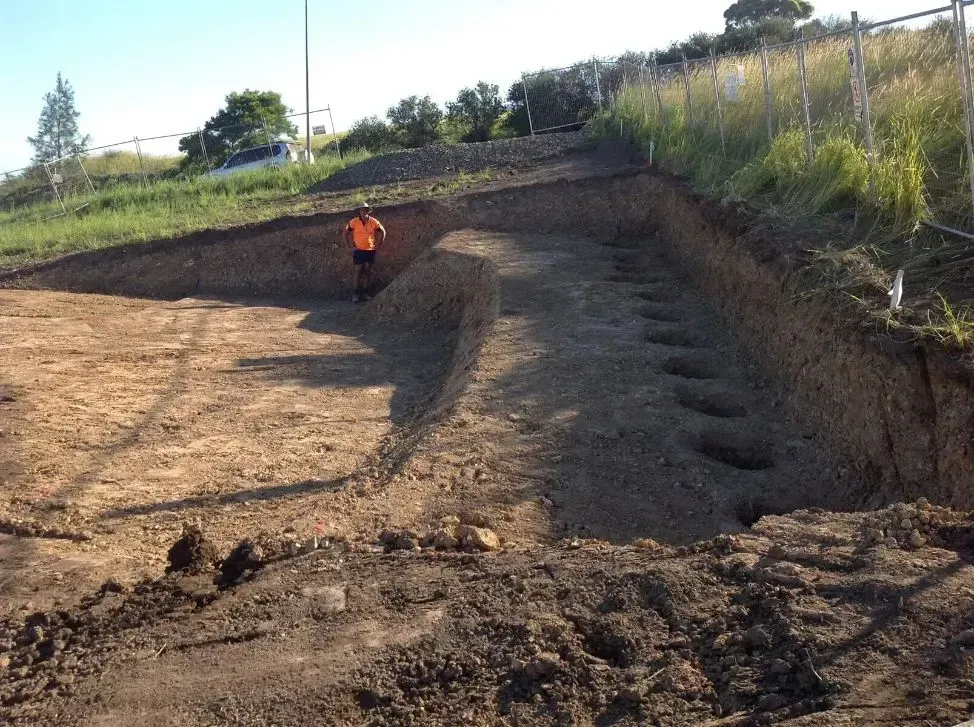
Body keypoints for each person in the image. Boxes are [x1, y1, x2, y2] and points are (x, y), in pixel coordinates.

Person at [343, 202, 386, 302]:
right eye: (361, 210)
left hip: (370, 250)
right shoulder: (354, 222)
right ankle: (356, 294)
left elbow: (383, 232)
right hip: (358, 250)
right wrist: (349, 247)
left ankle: (365, 293)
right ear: (359, 211)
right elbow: (345, 233)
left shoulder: (373, 222)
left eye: (365, 210)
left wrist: (378, 245)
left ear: (368, 211)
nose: (363, 211)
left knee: (367, 271)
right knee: (358, 270)